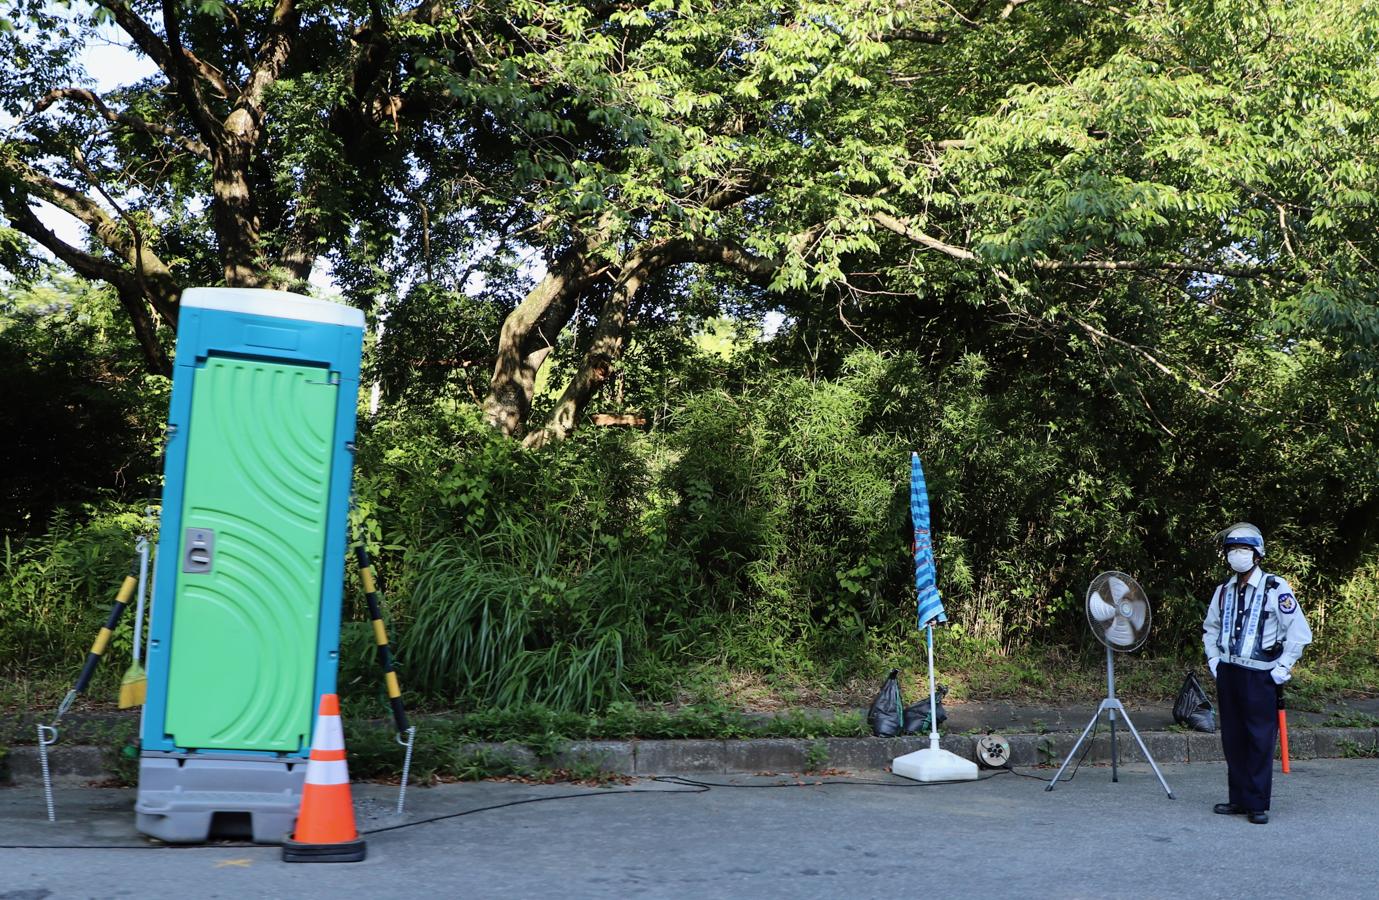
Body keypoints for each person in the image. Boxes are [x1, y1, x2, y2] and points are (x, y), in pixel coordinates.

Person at [1201, 522, 1312, 824]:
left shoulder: (1277, 588)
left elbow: (1299, 633)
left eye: (1244, 550)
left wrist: (1283, 666)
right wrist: (1213, 659)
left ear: (1257, 554)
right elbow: (1210, 628)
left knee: (1259, 738)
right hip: (1229, 673)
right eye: (1233, 550)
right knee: (1233, 738)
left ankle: (1257, 802)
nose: (1238, 555)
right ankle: (1237, 798)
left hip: (1261, 676)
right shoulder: (1223, 591)